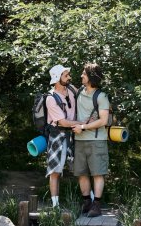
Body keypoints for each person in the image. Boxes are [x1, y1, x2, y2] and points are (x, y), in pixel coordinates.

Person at [72, 63, 110, 217]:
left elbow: (103, 121)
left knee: (97, 173)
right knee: (81, 173)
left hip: (97, 141)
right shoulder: (80, 91)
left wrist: (83, 127)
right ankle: (87, 202)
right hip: (79, 140)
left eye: (84, 74)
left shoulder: (101, 96)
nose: (81, 76)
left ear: (91, 77)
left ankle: (97, 205)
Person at [46, 64, 83, 208]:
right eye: (66, 75)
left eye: (68, 74)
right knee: (55, 171)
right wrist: (84, 123)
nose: (69, 77)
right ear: (57, 78)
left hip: (74, 134)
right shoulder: (51, 98)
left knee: (81, 168)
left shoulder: (72, 89)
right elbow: (63, 122)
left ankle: (90, 201)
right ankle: (55, 206)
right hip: (58, 136)